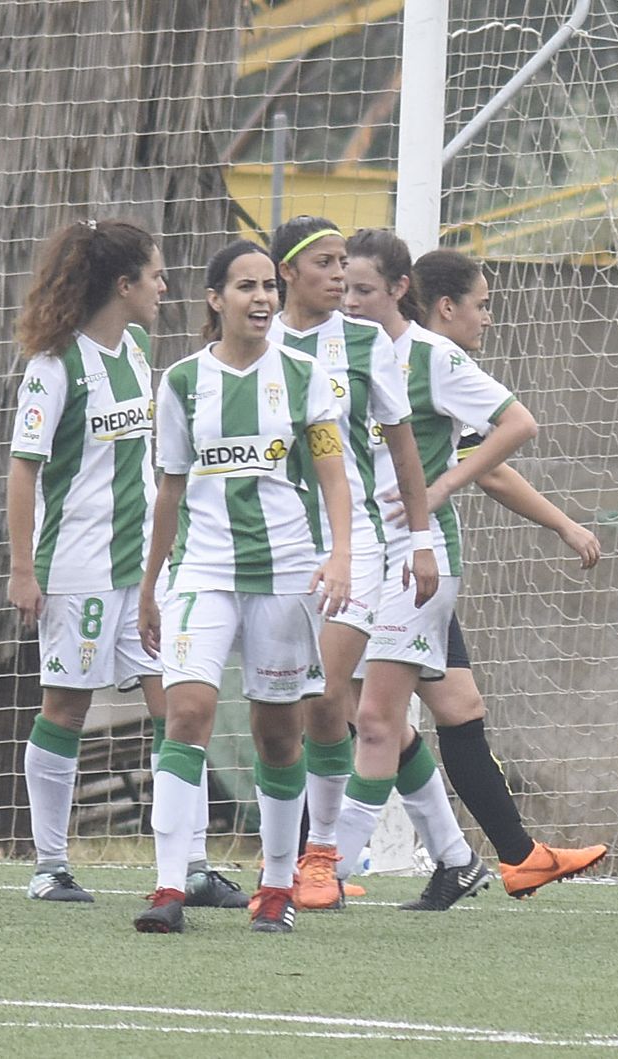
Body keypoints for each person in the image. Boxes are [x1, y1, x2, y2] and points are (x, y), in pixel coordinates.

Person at [346, 237, 609, 899]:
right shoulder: (365, 358)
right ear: (444, 305)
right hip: (373, 558)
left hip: (413, 561)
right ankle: (493, 856)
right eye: (482, 304)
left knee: (382, 716)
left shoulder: (433, 364)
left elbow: (489, 460)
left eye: (361, 288)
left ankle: (328, 863)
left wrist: (560, 522)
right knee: (423, 710)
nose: (488, 318)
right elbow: (487, 468)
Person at [8, 220, 245, 910]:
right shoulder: (54, 366)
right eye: (155, 275)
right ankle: (50, 865)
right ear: (123, 285)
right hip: (77, 569)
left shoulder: (139, 351)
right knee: (65, 707)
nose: (165, 287)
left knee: (179, 705)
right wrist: (23, 569)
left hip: (146, 571)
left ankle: (191, 865)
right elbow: (23, 470)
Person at [133, 240, 353, 934]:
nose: (261, 298)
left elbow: (333, 474)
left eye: (267, 287)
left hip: (285, 573)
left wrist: (341, 553)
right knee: (187, 711)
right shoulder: (182, 382)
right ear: (215, 298)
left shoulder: (304, 376)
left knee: (278, 735)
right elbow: (169, 491)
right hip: (201, 571)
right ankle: (170, 886)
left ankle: (278, 885)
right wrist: (150, 586)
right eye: (246, 287)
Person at [265, 216, 438, 911]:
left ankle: (321, 856)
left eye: (345, 263)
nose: (340, 275)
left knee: (326, 694)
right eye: (326, 263)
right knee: (280, 707)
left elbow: (402, 447)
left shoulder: (368, 343)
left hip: (358, 540)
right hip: (276, 541)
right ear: (286, 272)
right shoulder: (258, 344)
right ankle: (279, 860)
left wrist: (421, 540)